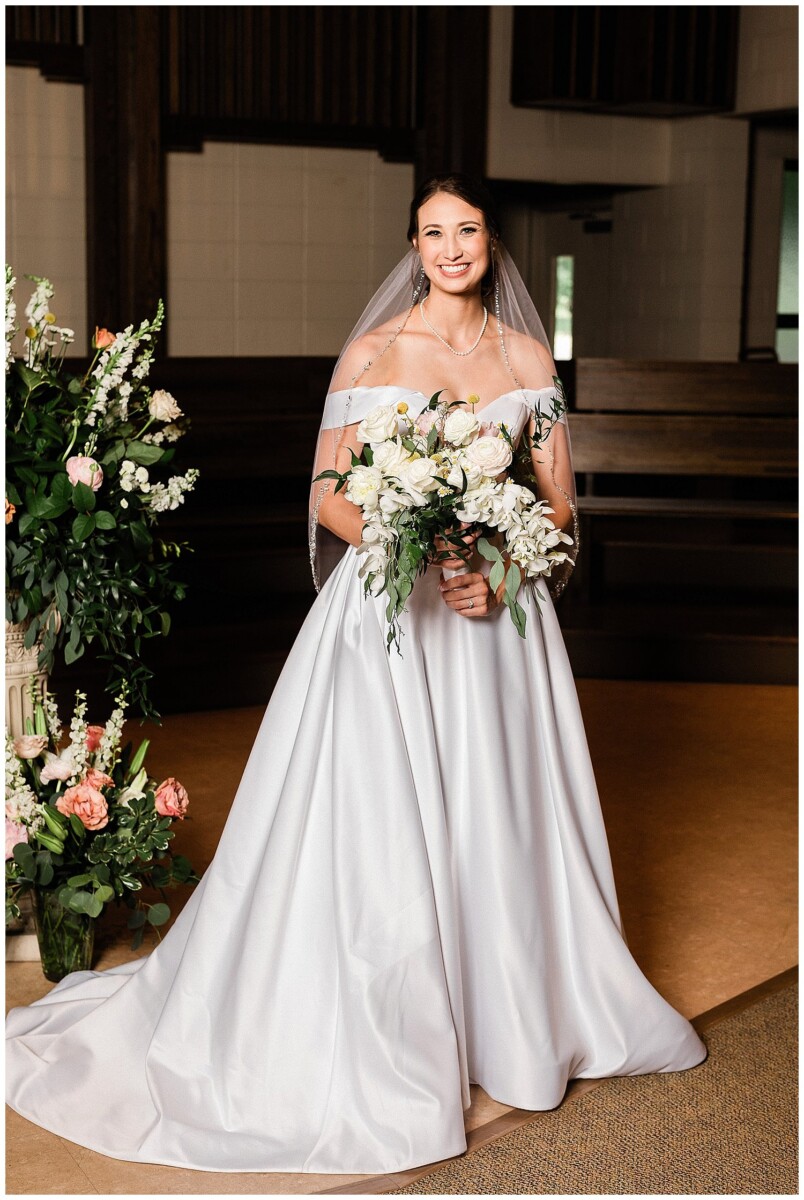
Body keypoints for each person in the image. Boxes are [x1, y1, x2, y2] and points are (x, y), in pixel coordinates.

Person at [6, 174, 707, 1175]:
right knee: (379, 821)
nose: (452, 248)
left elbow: (559, 505)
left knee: (499, 812)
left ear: (493, 244)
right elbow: (331, 495)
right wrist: (413, 543)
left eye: (467, 230)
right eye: (434, 233)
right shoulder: (375, 351)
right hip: (392, 617)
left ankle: (512, 1016)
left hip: (498, 625)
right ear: (414, 247)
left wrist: (502, 562)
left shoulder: (524, 356)